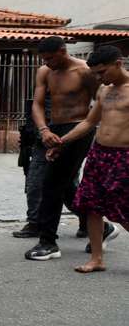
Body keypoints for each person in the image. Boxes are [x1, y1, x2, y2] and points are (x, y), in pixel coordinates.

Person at [46, 45, 127, 273]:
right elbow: (89, 122)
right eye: (96, 74)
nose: (100, 78)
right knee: (92, 206)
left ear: (118, 64)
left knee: (123, 208)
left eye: (103, 72)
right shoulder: (104, 90)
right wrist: (62, 143)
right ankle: (97, 259)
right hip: (100, 154)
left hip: (124, 157)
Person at [23, 36, 104, 260]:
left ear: (62, 50)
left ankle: (48, 242)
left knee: (51, 184)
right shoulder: (45, 71)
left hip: (79, 129)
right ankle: (101, 228)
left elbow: (101, 102)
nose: (47, 63)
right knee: (66, 186)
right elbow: (37, 104)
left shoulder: (84, 71)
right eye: (44, 59)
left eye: (50, 58)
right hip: (53, 129)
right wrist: (44, 130)